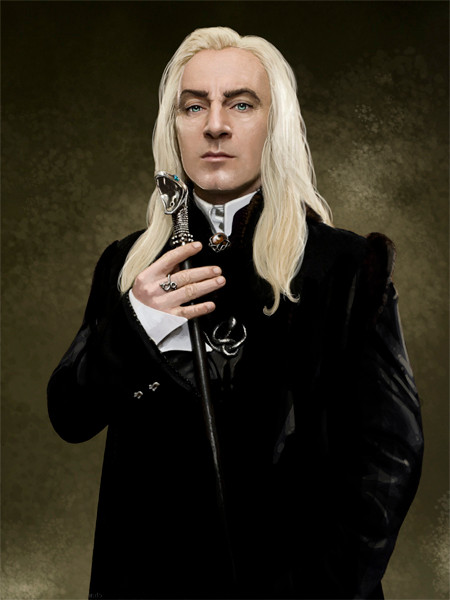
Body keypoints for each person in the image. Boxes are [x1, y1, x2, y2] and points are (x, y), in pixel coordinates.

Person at [48, 27, 423, 600]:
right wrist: (137, 325)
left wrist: (323, 589)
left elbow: (389, 457)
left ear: (276, 124)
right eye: (193, 106)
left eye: (241, 104)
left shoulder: (346, 266)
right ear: (173, 126)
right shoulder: (129, 265)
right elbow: (70, 415)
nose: (215, 125)